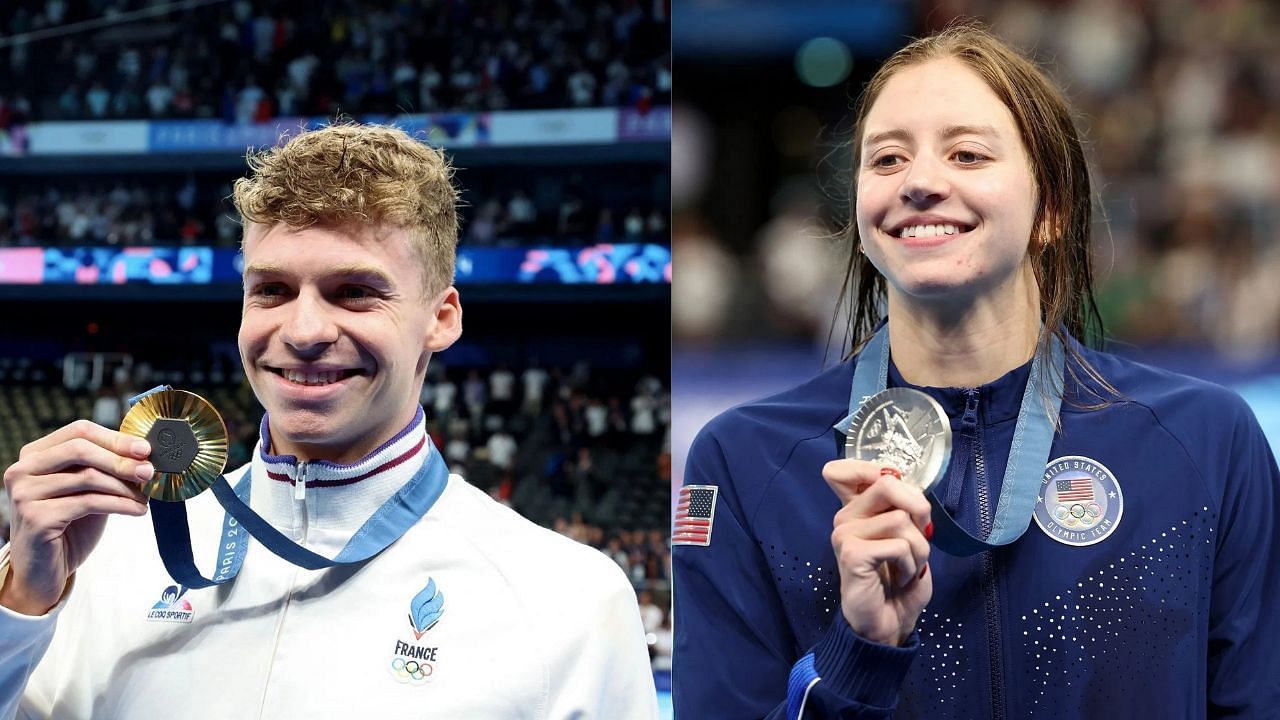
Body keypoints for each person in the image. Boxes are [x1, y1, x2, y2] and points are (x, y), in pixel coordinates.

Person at [672, 23, 1279, 719]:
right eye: (889, 159)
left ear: (1050, 208)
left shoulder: (1205, 443)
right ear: (864, 212)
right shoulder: (748, 463)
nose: (922, 182)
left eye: (966, 154)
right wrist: (859, 652)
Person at [0, 124, 657, 719]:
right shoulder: (99, 558)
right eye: (273, 291)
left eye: (355, 293)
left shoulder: (567, 603)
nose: (305, 331)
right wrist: (22, 603)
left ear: (442, 318)